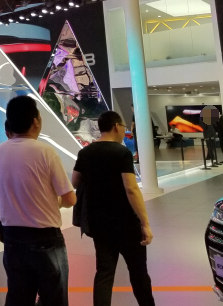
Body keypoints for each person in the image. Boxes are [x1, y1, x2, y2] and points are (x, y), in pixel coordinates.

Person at [0, 96, 76, 306]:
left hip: (12, 239)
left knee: (18, 298)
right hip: (45, 239)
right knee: (54, 299)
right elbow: (70, 198)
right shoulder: (46, 152)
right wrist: (55, 201)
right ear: (35, 121)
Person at [72, 111, 154, 306]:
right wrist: (145, 223)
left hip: (99, 223)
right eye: (123, 127)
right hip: (126, 223)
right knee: (138, 272)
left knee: (104, 272)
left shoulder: (85, 152)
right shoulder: (121, 152)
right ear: (116, 126)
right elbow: (131, 189)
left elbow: (75, 181)